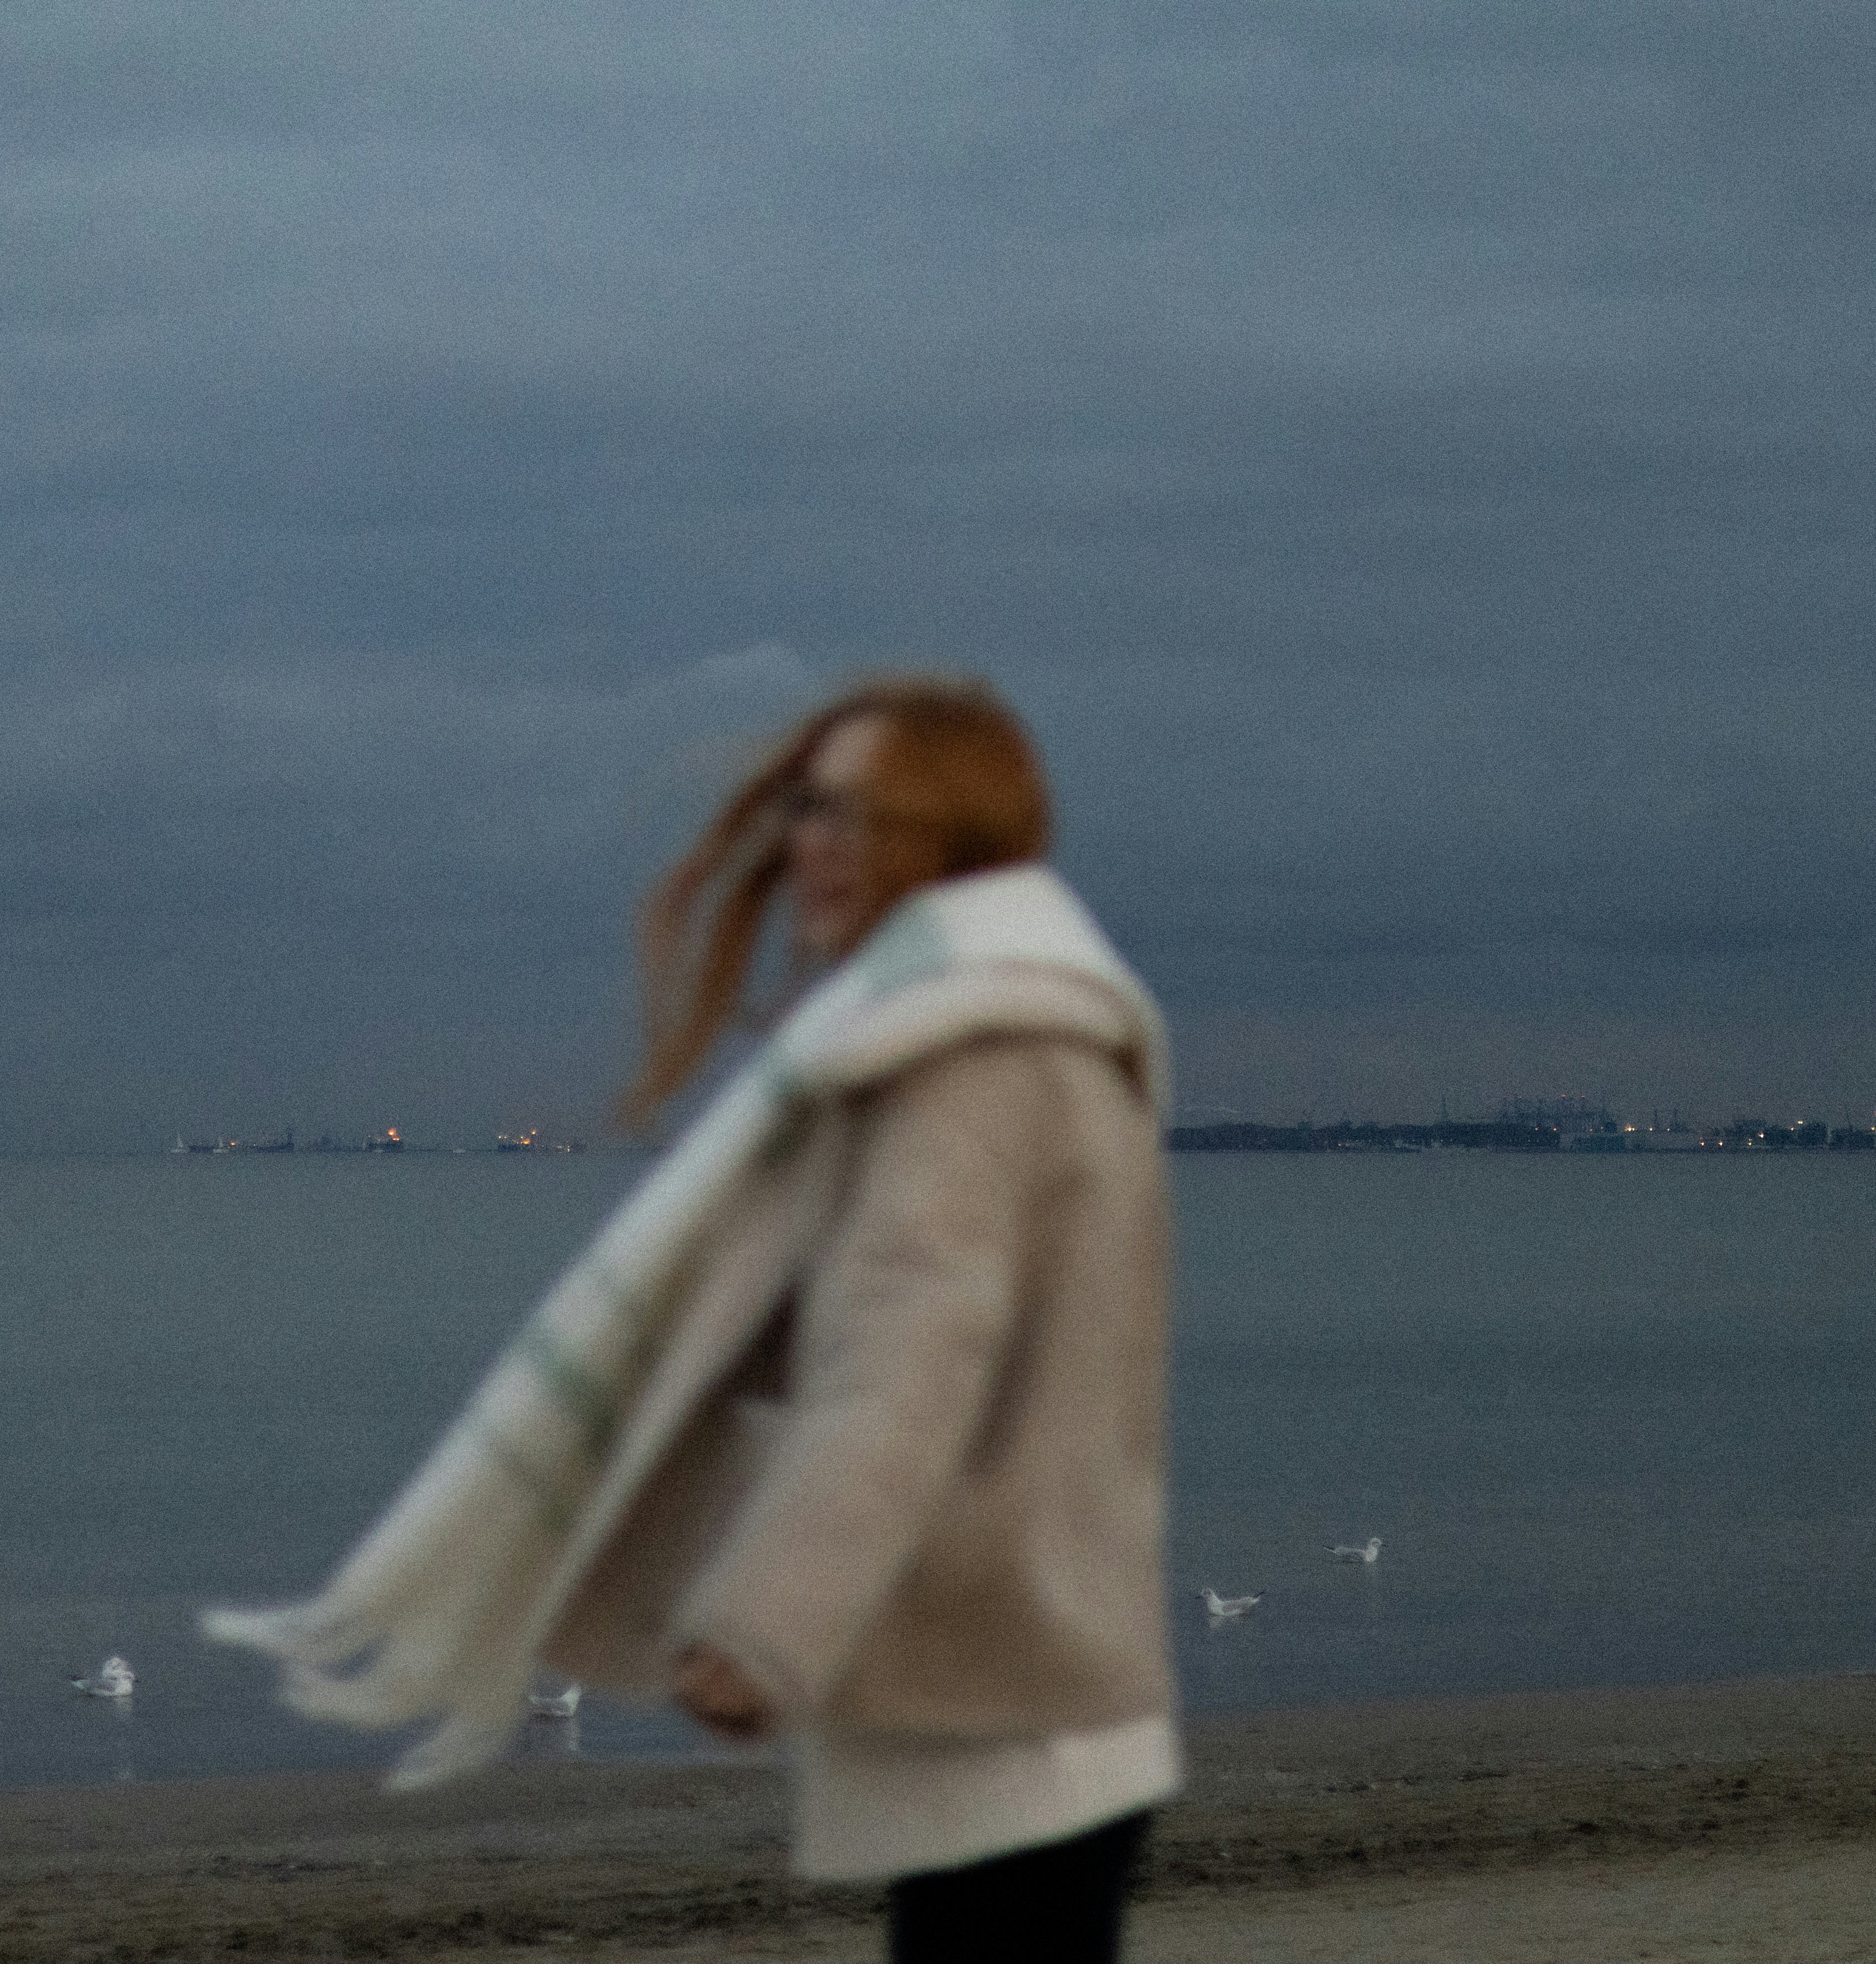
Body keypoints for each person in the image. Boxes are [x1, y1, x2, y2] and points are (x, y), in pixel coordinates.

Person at [209, 676, 1177, 1963]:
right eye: (804, 809)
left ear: (945, 831)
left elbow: (907, 1359)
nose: (810, 846)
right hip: (1039, 1685)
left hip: (1003, 1722)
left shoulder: (968, 1067)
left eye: (854, 813)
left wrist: (766, 1627)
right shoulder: (1030, 1042)